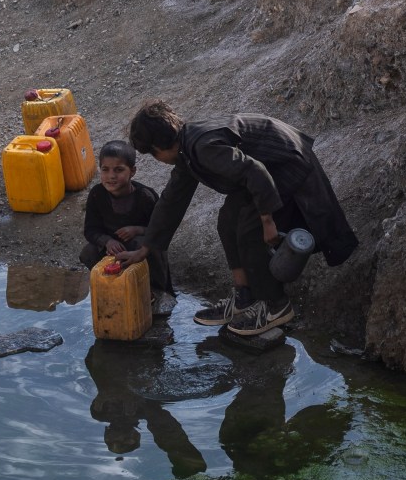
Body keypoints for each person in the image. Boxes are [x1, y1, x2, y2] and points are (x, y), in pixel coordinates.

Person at [126, 100, 358, 337]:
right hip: (263, 172)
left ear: (158, 146)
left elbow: (254, 171)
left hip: (285, 162)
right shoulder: (187, 149)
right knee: (227, 221)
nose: (159, 160)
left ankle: (276, 306)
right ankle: (243, 297)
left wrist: (267, 221)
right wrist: (147, 247)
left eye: (153, 154)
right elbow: (172, 199)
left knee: (250, 231)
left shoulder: (202, 147)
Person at [79, 140, 174, 315]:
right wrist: (107, 241)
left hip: (141, 247)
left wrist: (137, 229)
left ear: (133, 171)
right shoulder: (97, 195)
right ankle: (111, 286)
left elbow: (162, 228)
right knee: (88, 252)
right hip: (113, 250)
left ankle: (155, 291)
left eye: (119, 170)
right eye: (105, 169)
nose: (111, 176)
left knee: (142, 245)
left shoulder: (145, 196)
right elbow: (90, 229)